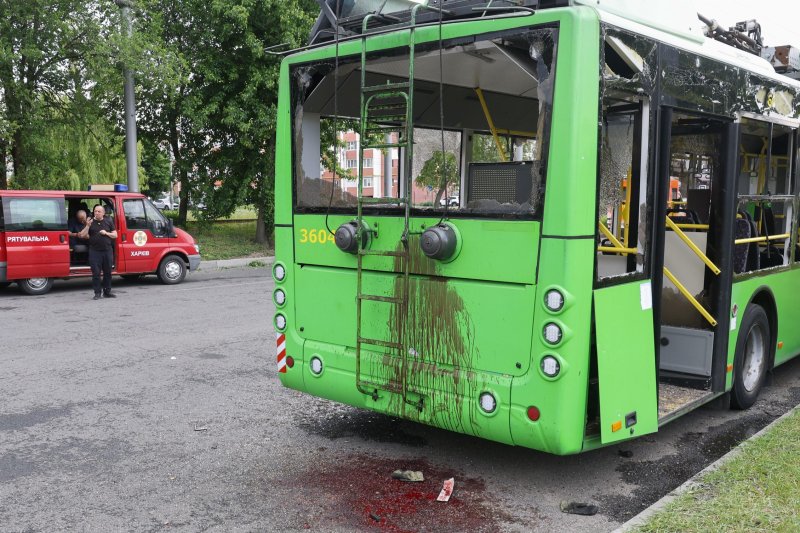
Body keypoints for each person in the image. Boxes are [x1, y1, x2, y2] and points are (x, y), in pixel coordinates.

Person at [79, 205, 118, 300]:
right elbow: (82, 235)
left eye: (99, 211)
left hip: (107, 251)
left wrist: (106, 233)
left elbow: (115, 235)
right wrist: (87, 226)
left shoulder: (108, 221)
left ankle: (107, 292)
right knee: (96, 273)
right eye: (95, 211)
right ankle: (97, 293)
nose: (96, 213)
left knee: (108, 272)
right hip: (95, 252)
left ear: (103, 213)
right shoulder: (90, 222)